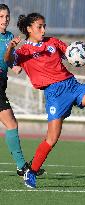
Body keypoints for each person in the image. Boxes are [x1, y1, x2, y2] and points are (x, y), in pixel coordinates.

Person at [5, 12, 85, 188]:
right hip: (54, 95)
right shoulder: (22, 51)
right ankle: (32, 172)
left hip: (72, 85)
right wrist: (10, 48)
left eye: (44, 26)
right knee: (51, 139)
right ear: (29, 29)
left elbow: (77, 56)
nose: (43, 30)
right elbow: (8, 61)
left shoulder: (53, 42)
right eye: (39, 27)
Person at [0, 4, 44, 177]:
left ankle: (21, 166)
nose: (5, 20)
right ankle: (21, 166)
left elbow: (10, 62)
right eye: (1, 16)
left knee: (11, 124)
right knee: (11, 124)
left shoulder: (10, 36)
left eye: (7, 16)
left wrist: (20, 64)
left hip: (2, 83)